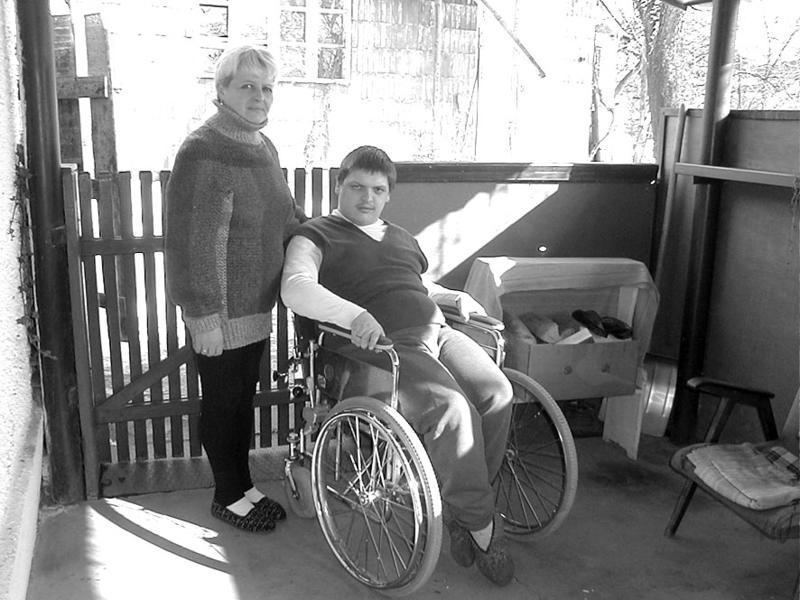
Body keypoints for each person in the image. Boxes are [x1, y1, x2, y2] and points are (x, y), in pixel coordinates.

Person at [280, 146, 516, 585]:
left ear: (389, 194)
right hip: (382, 344)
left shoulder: (402, 237)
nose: (367, 197)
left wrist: (454, 297)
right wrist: (355, 315)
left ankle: (463, 506)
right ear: (339, 186)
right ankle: (481, 526)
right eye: (357, 187)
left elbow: (417, 283)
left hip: (437, 331)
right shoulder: (316, 235)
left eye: (377, 189)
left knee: (497, 392)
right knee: (451, 410)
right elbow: (295, 287)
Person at [165, 45, 304, 533]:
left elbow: (285, 216)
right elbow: (192, 242)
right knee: (224, 403)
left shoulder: (264, 147)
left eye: (267, 87)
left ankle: (242, 486)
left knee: (241, 400)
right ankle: (227, 496)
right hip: (219, 313)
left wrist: (324, 237)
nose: (259, 96)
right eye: (247, 86)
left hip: (255, 309)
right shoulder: (202, 150)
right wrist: (202, 315)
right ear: (221, 90)